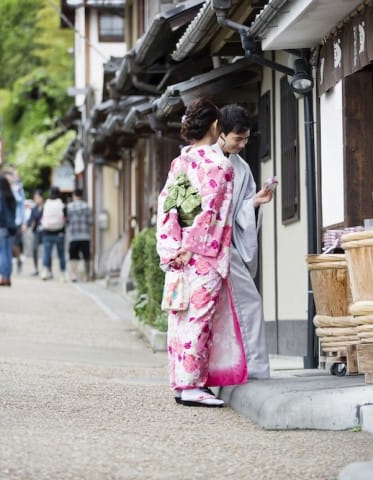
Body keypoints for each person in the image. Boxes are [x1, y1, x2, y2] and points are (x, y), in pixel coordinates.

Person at [156, 98, 247, 408]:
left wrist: (172, 248)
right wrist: (193, 247)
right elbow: (212, 214)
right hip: (204, 256)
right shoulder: (220, 165)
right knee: (200, 319)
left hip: (179, 254)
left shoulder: (180, 162)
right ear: (215, 126)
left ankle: (182, 383)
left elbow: (168, 206)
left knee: (179, 318)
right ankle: (193, 385)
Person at [217, 104, 273, 380]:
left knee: (245, 303)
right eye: (237, 138)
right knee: (237, 305)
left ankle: (249, 368)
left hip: (226, 245)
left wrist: (254, 202)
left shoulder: (242, 167)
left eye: (246, 139)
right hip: (208, 246)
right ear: (220, 132)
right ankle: (241, 368)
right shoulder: (202, 160)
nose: (242, 144)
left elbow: (239, 210)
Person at [0, 175, 18, 286]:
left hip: (2, 227)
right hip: (12, 227)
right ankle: (8, 277)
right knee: (8, 253)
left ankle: (3, 277)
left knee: (1, 253)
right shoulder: (11, 196)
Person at [66, 188, 93, 282]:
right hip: (85, 235)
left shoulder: (69, 207)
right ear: (82, 195)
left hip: (73, 236)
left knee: (73, 256)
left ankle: (74, 275)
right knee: (86, 256)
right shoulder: (87, 207)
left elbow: (67, 221)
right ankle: (87, 276)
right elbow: (90, 221)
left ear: (74, 196)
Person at [40, 186, 67, 281]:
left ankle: (45, 271)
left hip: (47, 231)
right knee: (61, 254)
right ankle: (62, 274)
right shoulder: (62, 205)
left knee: (47, 253)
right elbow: (66, 218)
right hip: (59, 232)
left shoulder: (46, 204)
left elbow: (41, 217)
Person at [26, 189, 44, 277]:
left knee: (46, 251)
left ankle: (47, 268)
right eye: (35, 198)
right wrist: (26, 225)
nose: (36, 200)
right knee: (34, 250)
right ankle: (36, 268)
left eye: (37, 198)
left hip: (45, 231)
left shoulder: (46, 207)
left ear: (41, 198)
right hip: (36, 231)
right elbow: (30, 220)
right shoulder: (34, 209)